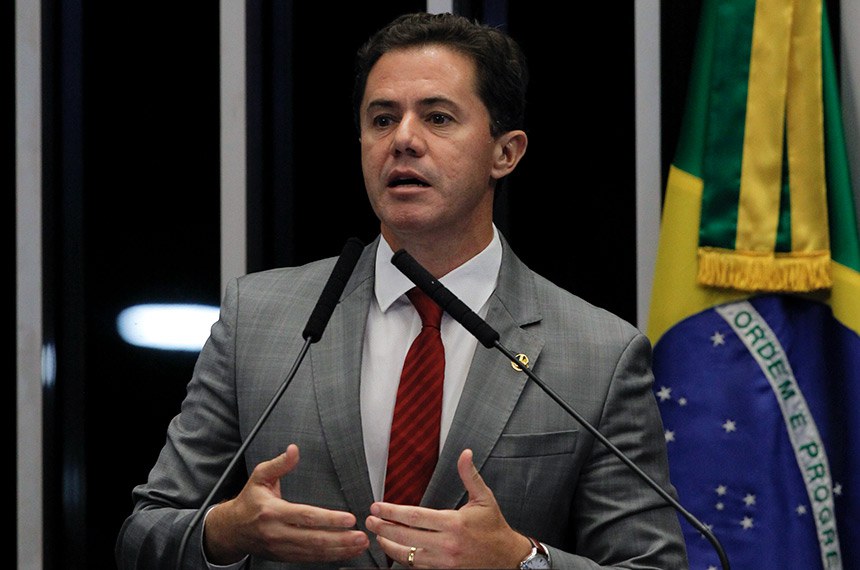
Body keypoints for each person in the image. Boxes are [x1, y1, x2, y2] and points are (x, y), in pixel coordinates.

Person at [116, 11, 689, 569]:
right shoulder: (258, 319)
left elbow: (652, 563)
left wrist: (521, 561)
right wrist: (225, 532)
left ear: (505, 152)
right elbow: (144, 535)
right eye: (383, 119)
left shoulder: (599, 353)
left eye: (437, 118)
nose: (403, 140)